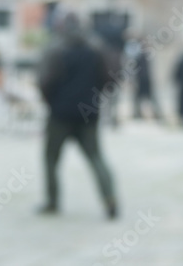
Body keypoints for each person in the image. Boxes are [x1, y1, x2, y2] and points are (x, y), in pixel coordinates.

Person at [36, 12, 118, 219]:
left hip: (60, 114)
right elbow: (109, 78)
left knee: (51, 159)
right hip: (88, 113)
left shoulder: (55, 49)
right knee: (96, 157)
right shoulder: (97, 48)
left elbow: (45, 82)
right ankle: (110, 199)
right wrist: (95, 97)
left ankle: (52, 202)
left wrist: (51, 102)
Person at [125, 34, 162, 121]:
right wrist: (132, 80)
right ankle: (136, 113)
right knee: (137, 98)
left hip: (146, 79)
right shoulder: (136, 54)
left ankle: (157, 113)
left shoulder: (146, 54)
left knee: (151, 97)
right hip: (139, 79)